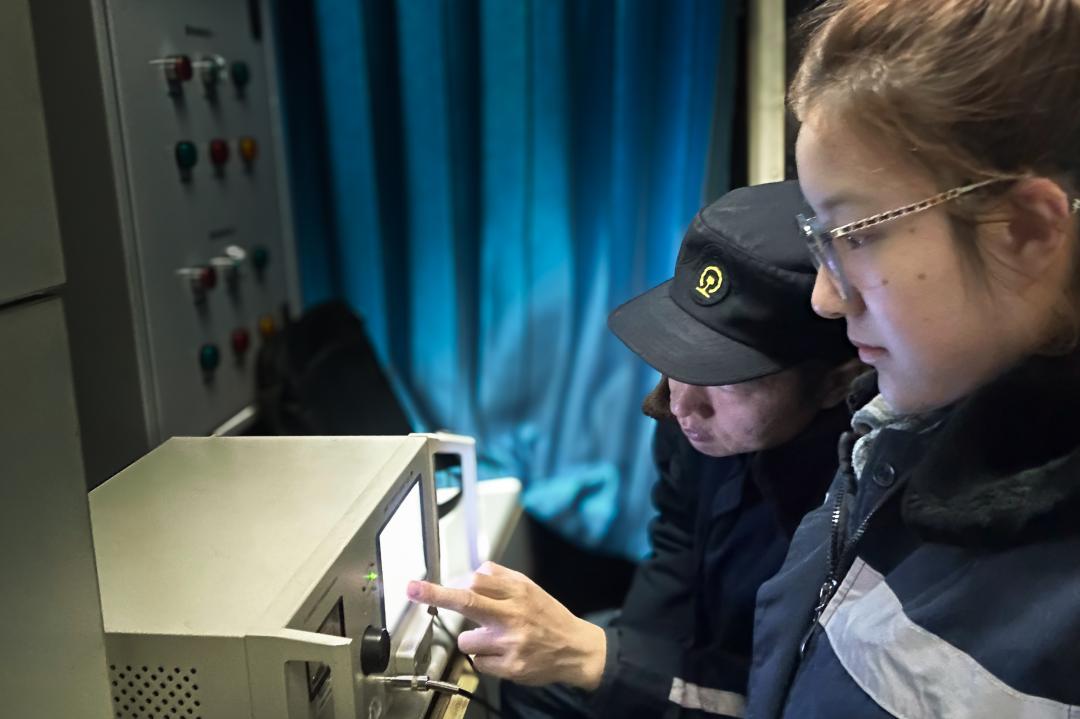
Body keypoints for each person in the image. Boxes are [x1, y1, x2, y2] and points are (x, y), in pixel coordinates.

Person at [407, 181, 860, 717]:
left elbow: (793, 702)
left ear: (835, 383)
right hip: (707, 649)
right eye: (680, 356)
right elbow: (676, 546)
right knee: (537, 685)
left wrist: (600, 659)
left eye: (727, 379)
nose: (681, 405)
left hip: (781, 688)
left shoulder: (859, 510)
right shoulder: (693, 422)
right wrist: (619, 678)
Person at [746, 2, 1080, 717]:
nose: (825, 298)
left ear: (1024, 228)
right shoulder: (898, 432)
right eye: (818, 238)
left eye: (856, 235)